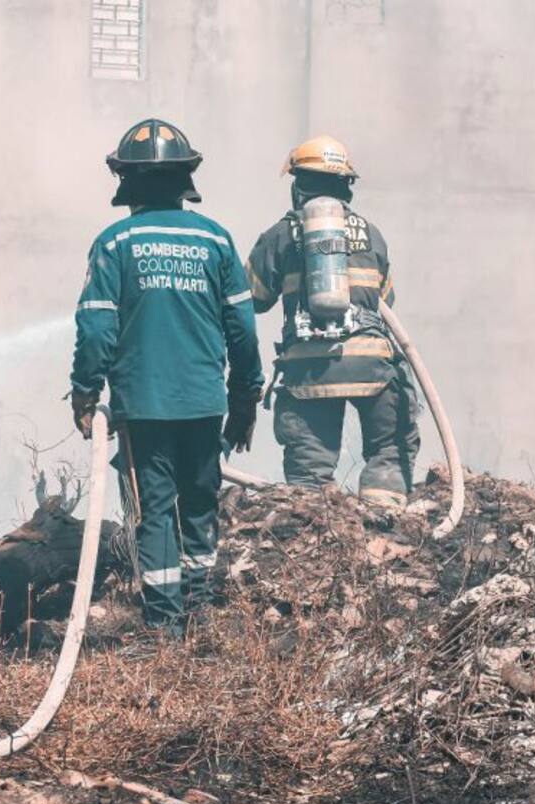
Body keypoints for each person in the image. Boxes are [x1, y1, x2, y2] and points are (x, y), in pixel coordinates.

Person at [70, 119, 262, 636]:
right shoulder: (216, 241)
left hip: (144, 405)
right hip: (204, 402)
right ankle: (199, 614)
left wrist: (85, 391)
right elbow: (242, 327)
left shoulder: (115, 243)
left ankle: (165, 628)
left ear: (126, 182)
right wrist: (245, 397)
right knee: (200, 504)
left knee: (154, 512)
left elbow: (96, 327)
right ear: (185, 180)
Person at [246, 135, 420, 507]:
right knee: (389, 449)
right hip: (371, 363)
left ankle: (321, 536)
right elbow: (384, 301)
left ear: (298, 186)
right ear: (347, 187)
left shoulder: (280, 235)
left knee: (308, 474)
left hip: (309, 369)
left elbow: (254, 299)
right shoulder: (373, 234)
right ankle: (383, 525)